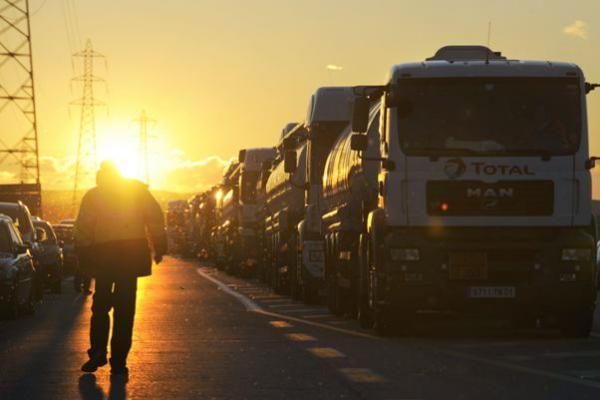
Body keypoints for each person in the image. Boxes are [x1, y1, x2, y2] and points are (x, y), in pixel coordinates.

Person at [75, 161, 167, 376]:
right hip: (131, 255)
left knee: (101, 306)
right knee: (125, 311)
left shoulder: (94, 196)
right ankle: (119, 360)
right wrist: (160, 246)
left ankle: (98, 350)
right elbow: (155, 219)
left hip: (104, 255)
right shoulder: (137, 191)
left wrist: (83, 255)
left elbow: (83, 228)